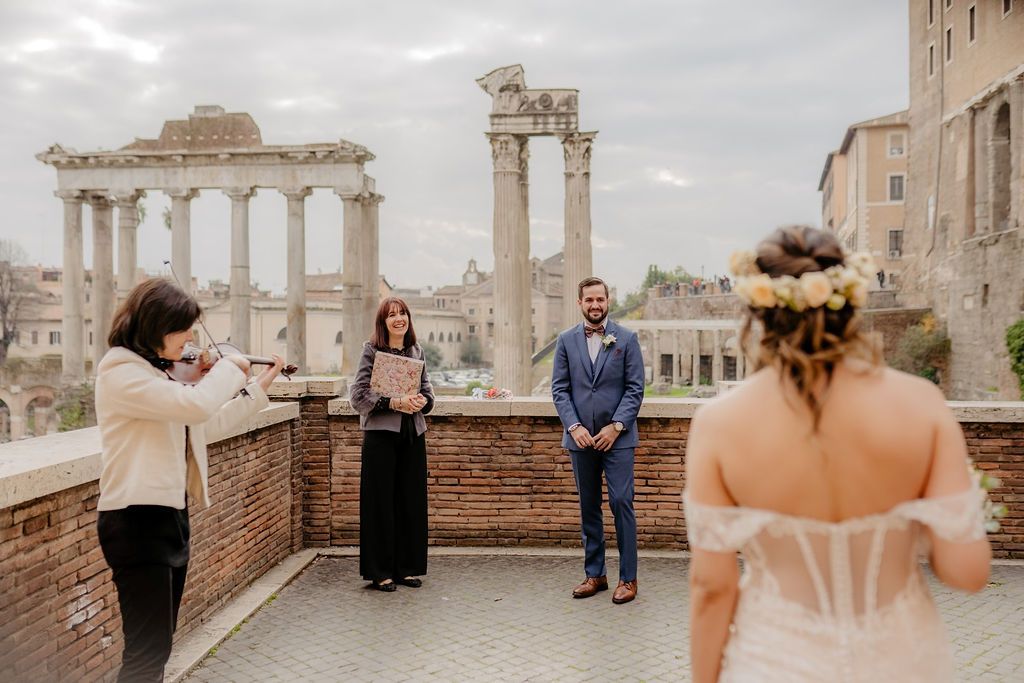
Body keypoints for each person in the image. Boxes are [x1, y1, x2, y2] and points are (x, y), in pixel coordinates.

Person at [685, 225, 991, 682]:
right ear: (850, 303)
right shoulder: (921, 403)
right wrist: (948, 510)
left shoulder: (718, 423)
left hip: (774, 662)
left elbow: (712, 587)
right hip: (903, 662)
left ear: (758, 312)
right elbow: (967, 572)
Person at [95, 278, 284, 682]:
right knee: (146, 654)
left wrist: (256, 388)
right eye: (183, 329)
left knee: (157, 650)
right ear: (156, 327)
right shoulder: (120, 372)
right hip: (135, 520)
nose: (191, 340)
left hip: (167, 517)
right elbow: (196, 405)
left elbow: (205, 424)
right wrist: (231, 367)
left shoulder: (157, 376)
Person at [551, 276, 645, 604]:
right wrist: (574, 426)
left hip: (618, 439)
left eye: (600, 300)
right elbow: (560, 389)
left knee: (622, 503)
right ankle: (595, 575)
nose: (595, 305)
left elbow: (635, 388)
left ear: (608, 301)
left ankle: (628, 579)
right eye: (588, 300)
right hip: (581, 440)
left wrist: (616, 425)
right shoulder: (565, 340)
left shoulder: (627, 339)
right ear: (580, 303)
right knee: (588, 506)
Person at [349, 297, 434, 592]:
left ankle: (406, 568)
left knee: (411, 502)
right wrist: (393, 401)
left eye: (403, 313)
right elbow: (358, 396)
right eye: (392, 315)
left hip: (413, 433)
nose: (399, 319)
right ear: (383, 322)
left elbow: (427, 392)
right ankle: (380, 571)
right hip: (381, 436)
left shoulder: (416, 349)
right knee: (380, 504)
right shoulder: (371, 350)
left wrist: (424, 401)